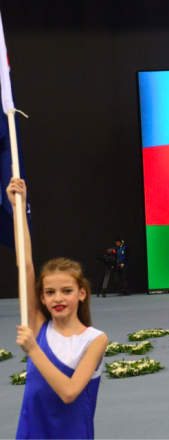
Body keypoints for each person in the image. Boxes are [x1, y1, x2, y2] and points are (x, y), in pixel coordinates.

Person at [7, 178, 108, 439]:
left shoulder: (94, 340)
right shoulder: (39, 325)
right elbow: (26, 265)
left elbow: (69, 392)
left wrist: (33, 350)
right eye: (50, 292)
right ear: (41, 297)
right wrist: (19, 207)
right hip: (32, 433)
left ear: (82, 294)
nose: (57, 298)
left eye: (67, 291)